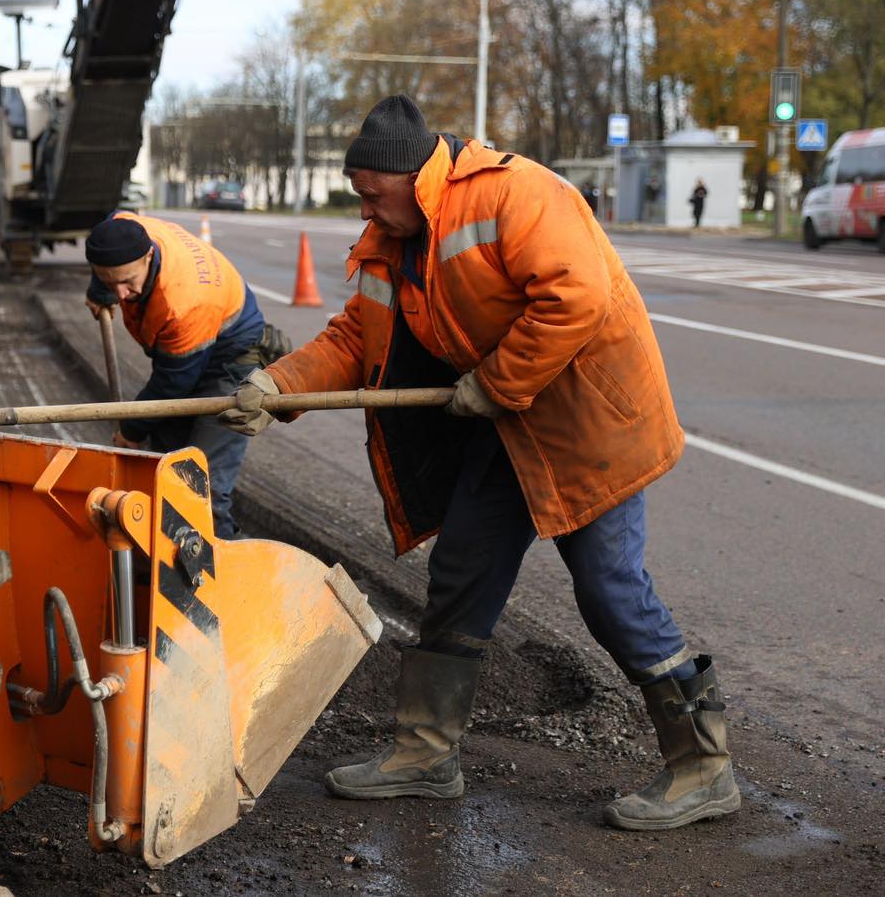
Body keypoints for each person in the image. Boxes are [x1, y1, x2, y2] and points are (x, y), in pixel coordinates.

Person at [218, 95, 739, 831]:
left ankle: (704, 766)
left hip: (588, 421)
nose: (363, 209)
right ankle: (425, 754)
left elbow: (576, 295)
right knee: (461, 570)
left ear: (411, 176)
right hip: (509, 430)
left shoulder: (516, 194)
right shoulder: (388, 237)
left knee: (608, 588)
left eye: (372, 193)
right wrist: (276, 388)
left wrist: (495, 384)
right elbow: (353, 338)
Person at [85, 213, 279, 538]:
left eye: (128, 281)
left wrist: (130, 429)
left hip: (230, 360)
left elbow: (172, 386)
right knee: (164, 468)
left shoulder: (183, 303)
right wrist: (99, 290)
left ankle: (227, 570)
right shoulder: (122, 229)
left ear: (148, 255)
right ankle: (164, 563)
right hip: (185, 358)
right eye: (109, 282)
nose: (120, 294)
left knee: (201, 485)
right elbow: (107, 245)